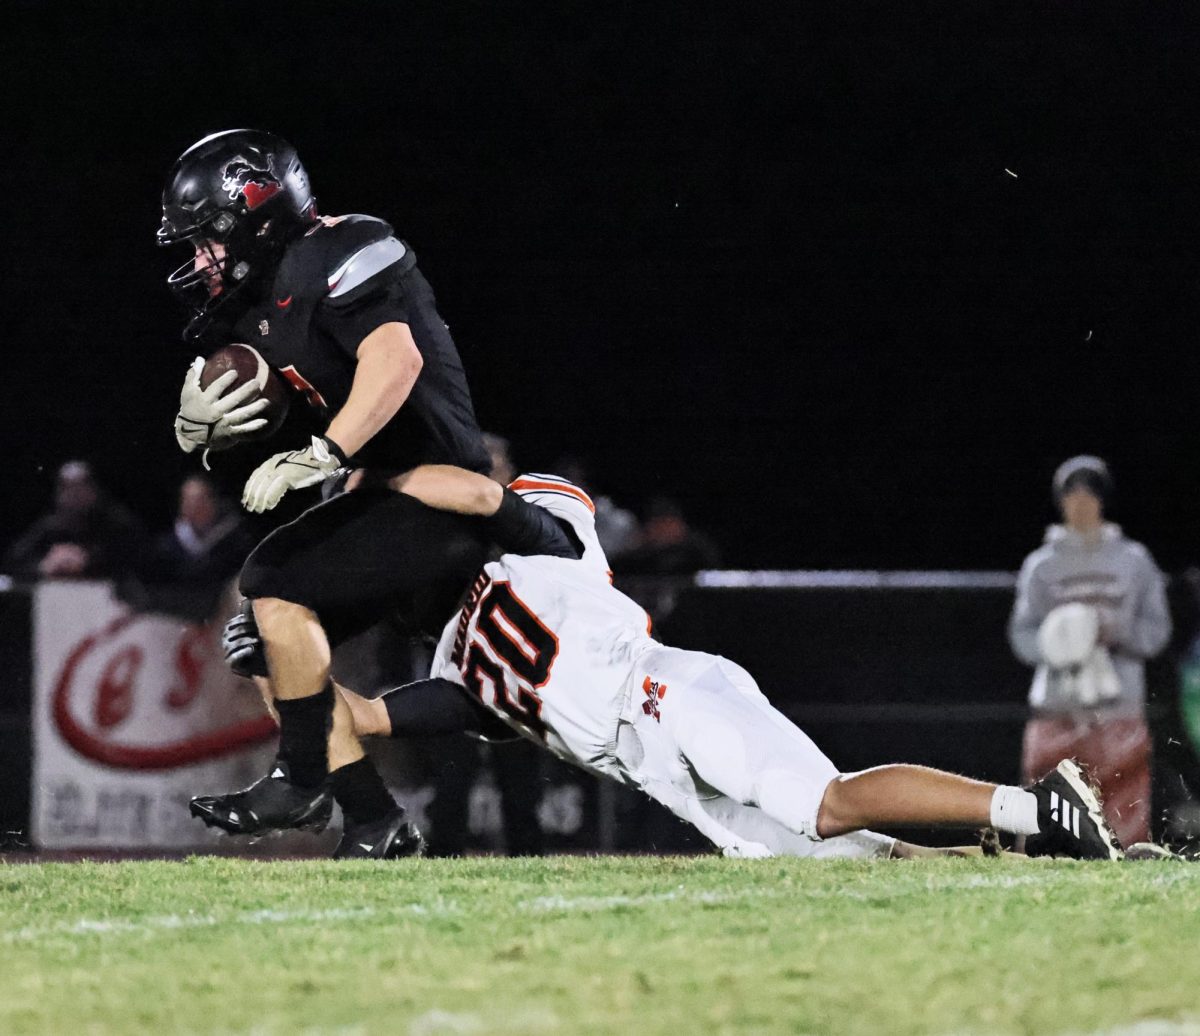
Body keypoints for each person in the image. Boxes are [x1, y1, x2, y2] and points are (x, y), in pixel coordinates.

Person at [224, 465, 1125, 861]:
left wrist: (361, 485)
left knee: (826, 802)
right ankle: (1027, 844)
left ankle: (1031, 805)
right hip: (661, 774)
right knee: (867, 861)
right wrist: (273, 654)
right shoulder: (460, 660)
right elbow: (352, 719)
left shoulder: (542, 537)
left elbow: (480, 494)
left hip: (666, 694)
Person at [158, 128, 493, 859]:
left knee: (274, 582)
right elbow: (289, 401)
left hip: (444, 495)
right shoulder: (251, 307)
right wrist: (213, 428)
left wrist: (328, 451)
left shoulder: (342, 251)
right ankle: (373, 823)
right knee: (263, 644)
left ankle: (300, 777)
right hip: (381, 498)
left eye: (205, 241)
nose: (199, 261)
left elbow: (394, 360)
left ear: (253, 213)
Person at [1008, 455, 1171, 847]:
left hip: (1118, 709)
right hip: (1057, 709)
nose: (1080, 505)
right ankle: (1042, 867)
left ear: (1103, 502)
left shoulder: (1134, 562)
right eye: (1072, 497)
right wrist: (1060, 644)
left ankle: (1125, 875)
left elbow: (1157, 630)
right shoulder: (1041, 566)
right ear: (1061, 502)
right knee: (1045, 800)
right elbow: (1021, 635)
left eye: (1089, 496)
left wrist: (1115, 633)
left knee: (1123, 801)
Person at [133, 474, 257, 622]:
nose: (197, 507)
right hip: (183, 621)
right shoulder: (165, 550)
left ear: (213, 502)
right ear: (182, 505)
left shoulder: (234, 539)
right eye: (190, 501)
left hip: (228, 615)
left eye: (202, 500)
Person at [4, 461, 145, 581]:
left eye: (79, 486)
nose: (73, 494)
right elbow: (14, 560)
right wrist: (43, 565)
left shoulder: (119, 523)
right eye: (66, 487)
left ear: (93, 489)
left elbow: (133, 562)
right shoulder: (49, 526)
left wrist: (87, 560)